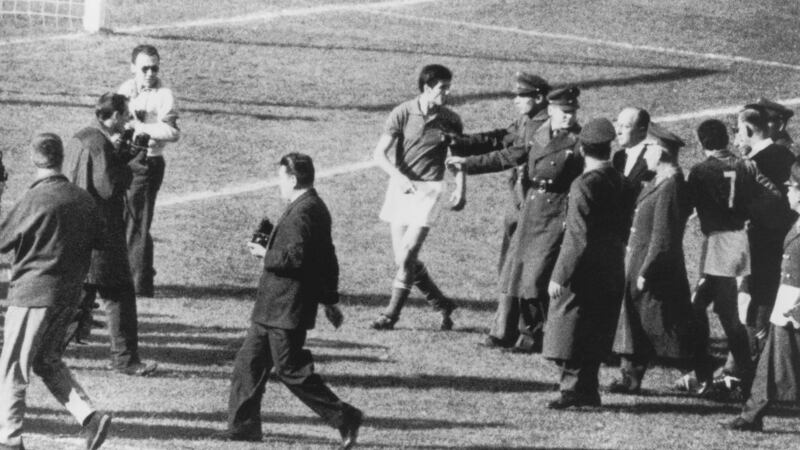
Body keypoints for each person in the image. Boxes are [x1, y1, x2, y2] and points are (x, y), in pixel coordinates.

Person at [221, 153, 362, 448]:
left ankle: (345, 416)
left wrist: (264, 254)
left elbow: (297, 259)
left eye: (281, 178)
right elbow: (326, 258)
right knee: (248, 365)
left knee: (291, 370)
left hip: (287, 307)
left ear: (293, 179)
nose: (279, 184)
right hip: (274, 307)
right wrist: (330, 300)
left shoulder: (304, 212)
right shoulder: (311, 206)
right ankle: (242, 429)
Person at [447, 86, 584, 353]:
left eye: (572, 112)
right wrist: (468, 164)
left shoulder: (580, 142)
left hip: (557, 212)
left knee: (536, 276)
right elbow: (508, 156)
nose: (569, 117)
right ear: (552, 111)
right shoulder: (540, 135)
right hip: (532, 210)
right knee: (519, 272)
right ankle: (524, 332)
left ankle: (534, 335)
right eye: (564, 112)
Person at [0, 133, 111, 450]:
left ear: (33, 159)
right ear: (61, 157)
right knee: (47, 361)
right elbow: (103, 241)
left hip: (32, 295)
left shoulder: (35, 198)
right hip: (68, 296)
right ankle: (90, 418)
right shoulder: (83, 199)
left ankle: (8, 439)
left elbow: (3, 240)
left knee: (13, 367)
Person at [63, 92, 157, 376]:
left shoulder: (80, 137)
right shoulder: (100, 144)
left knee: (78, 298)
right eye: (125, 115)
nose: (128, 120)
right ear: (114, 116)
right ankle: (125, 359)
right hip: (102, 235)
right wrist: (130, 162)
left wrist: (119, 155)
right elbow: (110, 188)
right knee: (119, 295)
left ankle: (41, 351)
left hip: (77, 230)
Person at [370, 64, 464, 331]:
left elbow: (457, 158)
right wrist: (397, 176)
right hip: (401, 189)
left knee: (409, 251)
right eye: (442, 88)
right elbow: (379, 154)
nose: (447, 92)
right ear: (426, 88)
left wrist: (460, 187)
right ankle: (442, 303)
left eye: (448, 87)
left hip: (431, 190)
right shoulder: (403, 112)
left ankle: (391, 314)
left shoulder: (451, 119)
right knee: (403, 259)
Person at [544, 117, 626, 409]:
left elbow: (577, 236)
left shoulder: (583, 184)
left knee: (569, 328)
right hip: (612, 263)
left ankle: (572, 390)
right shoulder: (620, 179)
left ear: (581, 149)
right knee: (596, 328)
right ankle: (589, 390)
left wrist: (559, 275)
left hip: (584, 268)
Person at [610, 124, 694, 394]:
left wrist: (647, 269)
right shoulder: (659, 180)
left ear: (661, 152)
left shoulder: (669, 186)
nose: (645, 153)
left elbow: (663, 236)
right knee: (641, 321)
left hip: (652, 266)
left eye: (649, 148)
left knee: (662, 325)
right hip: (640, 260)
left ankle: (697, 373)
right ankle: (630, 377)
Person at [724, 161, 800, 432]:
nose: (788, 193)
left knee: (776, 362)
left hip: (795, 306)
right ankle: (751, 415)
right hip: (788, 306)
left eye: (792, 188)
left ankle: (751, 415)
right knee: (770, 362)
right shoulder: (796, 220)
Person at [118, 44, 180, 297]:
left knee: (138, 223)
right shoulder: (124, 90)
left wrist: (142, 128)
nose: (150, 73)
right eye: (145, 68)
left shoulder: (164, 95)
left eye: (154, 67)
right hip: (126, 161)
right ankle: (135, 273)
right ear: (133, 67)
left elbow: (173, 132)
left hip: (148, 163)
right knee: (127, 220)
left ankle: (138, 284)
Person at [737, 105, 795, 363]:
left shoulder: (754, 164)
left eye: (739, 130)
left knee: (754, 306)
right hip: (783, 243)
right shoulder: (786, 154)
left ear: (749, 129)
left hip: (759, 246)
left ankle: (748, 369)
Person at [612, 107, 655, 241]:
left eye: (625, 127)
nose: (618, 132)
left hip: (641, 234)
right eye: (617, 125)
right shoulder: (618, 157)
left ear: (642, 130)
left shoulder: (653, 158)